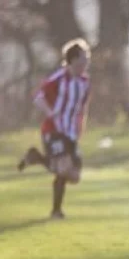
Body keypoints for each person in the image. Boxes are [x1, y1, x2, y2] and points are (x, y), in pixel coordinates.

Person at [17, 39, 92, 220]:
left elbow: (82, 107)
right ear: (72, 60)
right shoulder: (59, 78)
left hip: (70, 132)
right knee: (63, 168)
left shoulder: (84, 82)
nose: (85, 62)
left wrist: (80, 126)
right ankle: (56, 211)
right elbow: (37, 96)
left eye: (87, 59)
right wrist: (50, 112)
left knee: (74, 176)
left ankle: (35, 157)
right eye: (82, 59)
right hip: (53, 130)